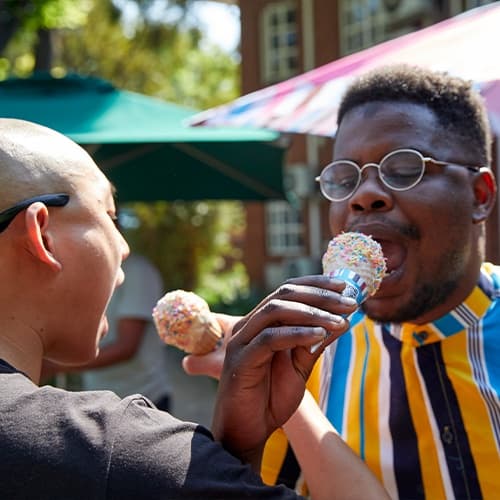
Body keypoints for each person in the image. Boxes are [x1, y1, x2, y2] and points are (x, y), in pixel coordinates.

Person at [0, 117, 389, 499]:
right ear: (43, 236)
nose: (124, 247)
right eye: (109, 215)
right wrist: (253, 439)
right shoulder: (123, 455)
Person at [184, 64, 500, 499]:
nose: (362, 196)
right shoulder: (305, 358)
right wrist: (238, 430)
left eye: (405, 168)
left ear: (479, 196)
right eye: (345, 178)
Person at [80, 251, 172, 411]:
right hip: (103, 402)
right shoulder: (85, 271)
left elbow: (126, 347)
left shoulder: (137, 271)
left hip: (143, 402)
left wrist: (58, 365)